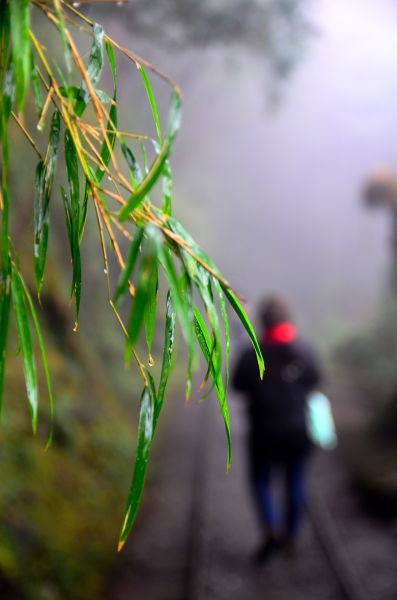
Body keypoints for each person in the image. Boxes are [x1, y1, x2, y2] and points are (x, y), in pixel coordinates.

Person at [232, 295, 322, 562]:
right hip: (298, 432)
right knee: (295, 482)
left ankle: (270, 526)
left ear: (262, 322)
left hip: (263, 433)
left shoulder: (251, 355)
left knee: (261, 481)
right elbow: (316, 380)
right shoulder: (303, 351)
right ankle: (292, 534)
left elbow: (237, 386)